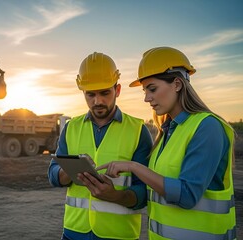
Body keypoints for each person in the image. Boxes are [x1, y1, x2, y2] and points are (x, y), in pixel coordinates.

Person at [93, 47, 236, 239]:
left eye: (152, 89)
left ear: (177, 84)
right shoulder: (167, 133)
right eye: (145, 91)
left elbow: (187, 196)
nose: (146, 98)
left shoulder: (207, 127)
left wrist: (133, 166)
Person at [48, 52, 153, 240]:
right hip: (73, 233)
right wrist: (68, 173)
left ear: (117, 90)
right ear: (83, 93)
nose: (97, 101)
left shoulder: (138, 131)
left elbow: (145, 193)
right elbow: (53, 175)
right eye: (91, 94)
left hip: (118, 235)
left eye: (105, 93)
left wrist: (115, 196)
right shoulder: (71, 127)